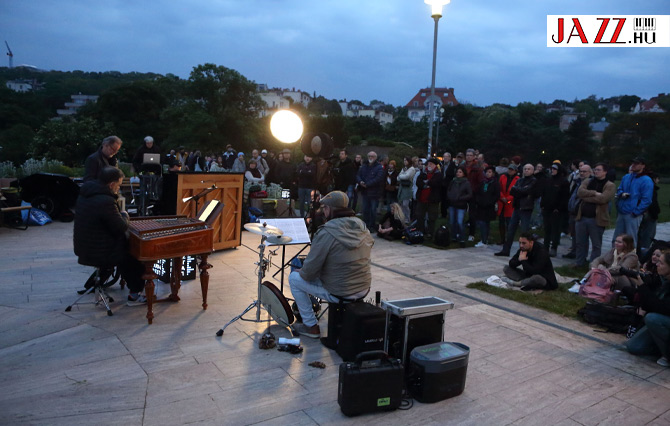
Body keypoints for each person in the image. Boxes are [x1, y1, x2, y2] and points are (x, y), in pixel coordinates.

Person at [289, 191, 373, 338]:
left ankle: (311, 326)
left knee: (295, 278)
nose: (323, 211)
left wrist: (302, 270)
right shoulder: (362, 226)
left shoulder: (327, 231)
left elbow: (308, 273)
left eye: (324, 208)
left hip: (341, 292)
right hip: (363, 287)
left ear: (329, 209)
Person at [73, 166, 146, 303]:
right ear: (111, 184)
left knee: (125, 251)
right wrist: (124, 215)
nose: (118, 188)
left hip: (83, 247)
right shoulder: (106, 201)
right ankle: (135, 293)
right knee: (134, 256)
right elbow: (121, 226)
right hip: (99, 251)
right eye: (118, 185)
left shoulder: (86, 194)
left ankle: (122, 284)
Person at [626, 250, 670, 367]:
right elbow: (649, 302)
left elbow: (661, 307)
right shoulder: (662, 279)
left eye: (661, 263)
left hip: (663, 319)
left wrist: (641, 286)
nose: (657, 264)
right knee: (633, 346)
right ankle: (661, 347)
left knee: (652, 319)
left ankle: (667, 356)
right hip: (663, 320)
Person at [574, 162, 616, 267]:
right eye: (595, 169)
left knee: (596, 244)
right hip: (582, 217)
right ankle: (579, 262)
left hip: (596, 219)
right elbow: (580, 192)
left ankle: (593, 264)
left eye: (598, 170)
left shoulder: (610, 185)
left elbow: (603, 199)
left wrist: (586, 197)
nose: (596, 171)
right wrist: (594, 193)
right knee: (580, 242)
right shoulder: (588, 181)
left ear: (605, 172)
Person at [496, 164, 537, 257]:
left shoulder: (533, 181)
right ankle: (506, 250)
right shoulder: (520, 180)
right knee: (510, 229)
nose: (526, 170)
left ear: (532, 171)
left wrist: (518, 190)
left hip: (526, 208)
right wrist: (519, 191)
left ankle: (525, 252)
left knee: (524, 231)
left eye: (529, 169)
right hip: (517, 207)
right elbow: (512, 191)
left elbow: (525, 191)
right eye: (525, 169)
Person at [613, 157, 654, 248]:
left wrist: (636, 212)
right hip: (622, 211)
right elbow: (619, 189)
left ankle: (630, 259)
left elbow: (647, 200)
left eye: (637, 163)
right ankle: (615, 257)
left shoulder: (646, 180)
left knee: (630, 238)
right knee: (617, 238)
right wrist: (621, 194)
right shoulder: (626, 177)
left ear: (643, 165)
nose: (633, 165)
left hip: (632, 213)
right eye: (633, 163)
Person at [540, 163, 569, 257]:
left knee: (555, 230)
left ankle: (554, 247)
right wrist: (542, 205)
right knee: (547, 229)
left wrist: (559, 208)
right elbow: (544, 193)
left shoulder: (563, 182)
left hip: (556, 210)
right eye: (551, 168)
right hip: (546, 208)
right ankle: (545, 247)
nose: (552, 170)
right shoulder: (548, 180)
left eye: (554, 169)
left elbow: (565, 197)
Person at [564, 164, 592, 259]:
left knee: (581, 237)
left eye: (584, 171)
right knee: (573, 233)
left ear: (590, 172)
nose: (582, 173)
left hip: (581, 212)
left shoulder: (590, 183)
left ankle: (581, 257)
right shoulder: (577, 181)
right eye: (581, 171)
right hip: (572, 211)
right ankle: (574, 251)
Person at [415, 158, 444, 240]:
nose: (429, 165)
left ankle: (430, 233)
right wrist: (427, 183)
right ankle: (420, 231)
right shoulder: (423, 173)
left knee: (432, 218)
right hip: (422, 199)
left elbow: (435, 183)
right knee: (419, 216)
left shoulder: (438, 174)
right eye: (428, 164)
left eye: (431, 164)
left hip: (432, 200)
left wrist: (426, 182)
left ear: (435, 165)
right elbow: (418, 182)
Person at [356, 151, 385, 231]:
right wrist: (360, 182)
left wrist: (367, 184)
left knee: (373, 210)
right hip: (365, 192)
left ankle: (371, 225)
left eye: (372, 156)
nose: (370, 157)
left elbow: (378, 178)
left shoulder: (379, 167)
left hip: (374, 193)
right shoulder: (364, 166)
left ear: (376, 157)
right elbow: (358, 175)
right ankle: (365, 225)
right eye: (369, 156)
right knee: (365, 209)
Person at [474, 166, 500, 247]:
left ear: (493, 173)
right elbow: (478, 192)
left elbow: (496, 195)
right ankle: (484, 238)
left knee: (485, 223)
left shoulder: (495, 183)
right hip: (481, 205)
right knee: (482, 222)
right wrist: (478, 201)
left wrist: (489, 202)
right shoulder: (483, 182)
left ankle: (485, 239)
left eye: (490, 172)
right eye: (487, 172)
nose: (488, 174)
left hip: (489, 206)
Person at [446, 166, 472, 247]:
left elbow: (469, 194)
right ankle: (453, 237)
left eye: (460, 172)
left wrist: (460, 198)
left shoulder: (466, 183)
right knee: (452, 221)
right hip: (452, 204)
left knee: (460, 222)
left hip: (461, 205)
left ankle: (462, 238)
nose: (458, 173)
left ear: (464, 173)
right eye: (457, 172)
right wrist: (450, 197)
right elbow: (449, 190)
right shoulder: (453, 181)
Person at [638, 173, 661, 255]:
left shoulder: (642, 187)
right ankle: (643, 255)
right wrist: (656, 212)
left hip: (642, 213)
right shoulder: (651, 189)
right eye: (658, 178)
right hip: (649, 214)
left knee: (641, 235)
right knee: (647, 236)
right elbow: (652, 203)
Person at [464, 149, 484, 241]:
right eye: (467, 155)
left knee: (472, 215)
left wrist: (475, 190)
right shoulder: (463, 166)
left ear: (473, 156)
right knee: (461, 212)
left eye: (470, 155)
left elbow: (480, 182)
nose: (468, 157)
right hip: (463, 192)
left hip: (473, 193)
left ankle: (471, 233)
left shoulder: (477, 168)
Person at [497, 163, 519, 245]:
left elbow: (516, 192)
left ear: (515, 171)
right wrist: (502, 197)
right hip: (502, 201)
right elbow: (498, 188)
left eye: (512, 169)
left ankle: (508, 239)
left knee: (509, 222)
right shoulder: (503, 177)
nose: (510, 171)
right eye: (509, 169)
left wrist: (508, 199)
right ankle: (502, 239)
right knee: (501, 222)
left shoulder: (518, 179)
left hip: (510, 202)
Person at [397, 156, 416, 225]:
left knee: (406, 204)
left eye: (406, 160)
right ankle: (402, 218)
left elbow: (407, 176)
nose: (405, 162)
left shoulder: (412, 169)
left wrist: (401, 176)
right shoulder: (404, 168)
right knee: (401, 204)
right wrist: (401, 176)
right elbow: (398, 178)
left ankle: (407, 218)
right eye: (404, 160)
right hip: (402, 187)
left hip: (407, 188)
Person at [440, 152, 456, 218]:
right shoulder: (441, 164)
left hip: (449, 184)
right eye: (444, 156)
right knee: (442, 199)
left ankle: (449, 213)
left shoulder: (453, 165)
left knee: (449, 199)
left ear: (450, 157)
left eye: (447, 156)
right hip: (442, 185)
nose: (445, 158)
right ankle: (443, 213)